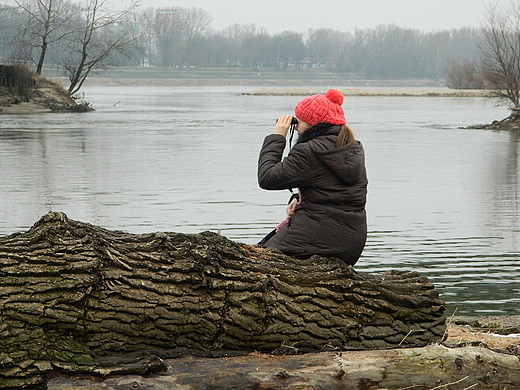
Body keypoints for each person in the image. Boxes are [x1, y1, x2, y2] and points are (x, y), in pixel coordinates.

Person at [257, 89, 368, 266]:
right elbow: (337, 191)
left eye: (298, 122)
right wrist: (298, 198)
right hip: (350, 242)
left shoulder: (308, 150)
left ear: (311, 126)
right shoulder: (352, 147)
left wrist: (277, 136)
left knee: (258, 263)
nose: (296, 127)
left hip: (316, 239)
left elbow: (267, 177)